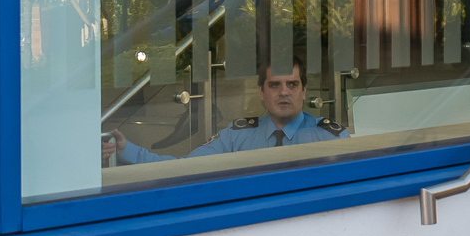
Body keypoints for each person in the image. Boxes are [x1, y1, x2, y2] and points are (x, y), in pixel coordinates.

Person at [104, 60, 344, 164]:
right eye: (274, 85)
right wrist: (126, 150)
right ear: (261, 92)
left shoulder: (330, 138)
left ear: (304, 91)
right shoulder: (236, 136)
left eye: (292, 84)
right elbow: (186, 167)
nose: (284, 92)